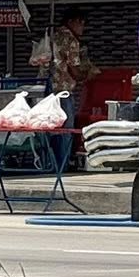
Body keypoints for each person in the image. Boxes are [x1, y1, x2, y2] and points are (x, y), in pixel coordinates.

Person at [45, 9, 97, 168]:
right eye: (80, 22)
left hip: (48, 89)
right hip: (63, 90)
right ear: (70, 22)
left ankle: (51, 163)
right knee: (66, 129)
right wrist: (87, 75)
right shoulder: (71, 40)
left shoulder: (53, 36)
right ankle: (63, 165)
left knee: (50, 128)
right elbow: (74, 70)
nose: (82, 26)